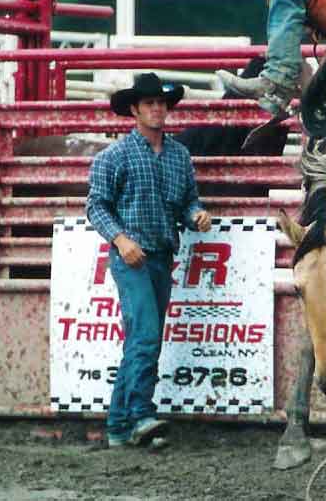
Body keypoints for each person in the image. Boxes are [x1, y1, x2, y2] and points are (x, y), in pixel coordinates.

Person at [86, 72, 213, 447]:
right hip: (132, 259)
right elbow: (96, 205)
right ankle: (142, 415)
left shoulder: (179, 156)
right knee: (144, 335)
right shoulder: (115, 156)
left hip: (161, 256)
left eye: (161, 103)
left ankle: (119, 427)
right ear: (134, 110)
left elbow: (189, 198)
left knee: (143, 340)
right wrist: (121, 240)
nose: (157, 109)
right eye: (149, 104)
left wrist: (196, 214)